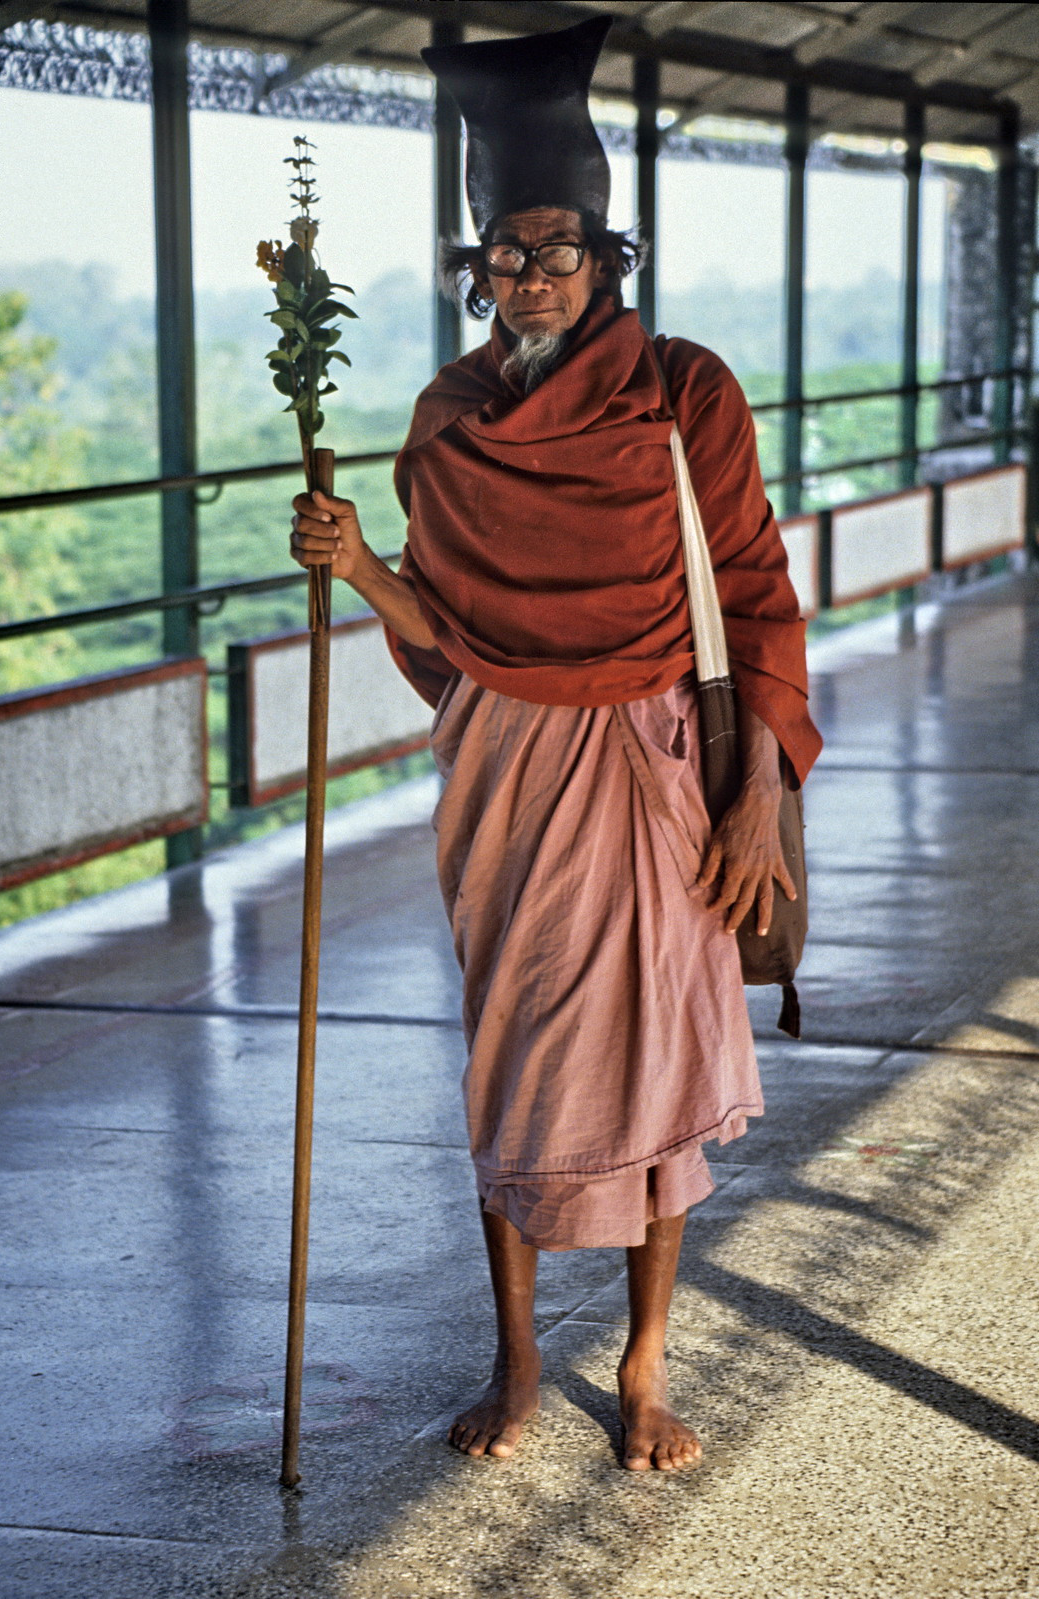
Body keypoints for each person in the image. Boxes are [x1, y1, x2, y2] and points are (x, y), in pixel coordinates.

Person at [289, 16, 821, 1472]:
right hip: (507, 781)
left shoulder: (682, 395)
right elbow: (443, 638)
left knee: (653, 1080)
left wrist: (757, 799)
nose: (526, 277)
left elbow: (761, 600)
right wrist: (354, 568)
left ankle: (644, 1368)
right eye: (503, 258)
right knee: (512, 1074)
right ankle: (518, 1362)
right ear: (476, 273)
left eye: (554, 252)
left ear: (604, 263)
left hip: (660, 777)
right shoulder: (449, 418)